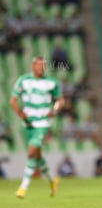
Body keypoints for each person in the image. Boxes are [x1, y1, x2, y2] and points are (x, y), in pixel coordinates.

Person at [10, 56, 64, 199]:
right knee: (37, 155)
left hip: (43, 122)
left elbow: (59, 100)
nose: (41, 68)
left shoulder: (51, 82)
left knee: (31, 152)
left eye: (43, 65)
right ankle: (53, 180)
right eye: (38, 65)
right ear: (32, 66)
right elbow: (13, 100)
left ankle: (23, 187)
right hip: (28, 122)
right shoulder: (23, 80)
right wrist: (20, 113)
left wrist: (55, 110)